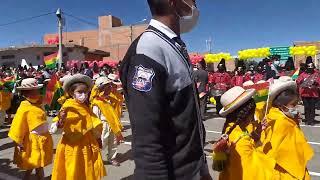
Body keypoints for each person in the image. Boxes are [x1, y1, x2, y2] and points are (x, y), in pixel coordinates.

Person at [119, 0, 211, 179]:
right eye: (193, 0)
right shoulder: (149, 49)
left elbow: (185, 117)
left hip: (192, 169)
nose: (195, 5)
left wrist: (202, 167)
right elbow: (147, 137)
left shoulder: (172, 44)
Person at [51, 74, 106, 180]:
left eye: (85, 92)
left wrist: (98, 139)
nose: (84, 95)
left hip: (87, 144)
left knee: (86, 171)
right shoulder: (67, 107)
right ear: (72, 93)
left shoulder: (86, 107)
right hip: (72, 147)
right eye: (80, 92)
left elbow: (93, 124)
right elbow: (55, 130)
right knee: (73, 171)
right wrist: (61, 121)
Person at [217, 86, 275, 180]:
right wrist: (259, 144)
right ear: (246, 114)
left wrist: (257, 134)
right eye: (253, 114)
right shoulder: (240, 141)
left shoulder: (231, 128)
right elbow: (253, 173)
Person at [263, 76, 314, 179]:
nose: (296, 108)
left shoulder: (279, 115)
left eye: (297, 104)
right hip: (285, 170)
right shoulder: (281, 121)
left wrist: (294, 119)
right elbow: (274, 151)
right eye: (293, 105)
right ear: (281, 105)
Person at [8, 78, 53, 180]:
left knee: (37, 164)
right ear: (25, 94)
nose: (35, 94)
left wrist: (49, 85)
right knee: (34, 164)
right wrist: (18, 143)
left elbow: (50, 97)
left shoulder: (39, 103)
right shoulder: (24, 107)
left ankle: (34, 177)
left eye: (36, 91)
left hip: (42, 139)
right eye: (31, 92)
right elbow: (18, 125)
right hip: (32, 141)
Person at [91, 77, 124, 166]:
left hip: (112, 125)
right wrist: (96, 130)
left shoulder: (111, 100)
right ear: (102, 88)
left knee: (113, 143)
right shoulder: (97, 102)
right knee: (101, 143)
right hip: (103, 126)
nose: (110, 88)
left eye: (110, 86)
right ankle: (95, 159)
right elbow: (95, 117)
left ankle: (112, 158)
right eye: (108, 86)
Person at [296, 57, 320, 125]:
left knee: (312, 107)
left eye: (311, 68)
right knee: (306, 107)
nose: (310, 70)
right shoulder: (303, 74)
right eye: (309, 68)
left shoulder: (316, 74)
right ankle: (307, 119)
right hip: (304, 93)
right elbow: (297, 81)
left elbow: (319, 82)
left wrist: (316, 83)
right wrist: (302, 82)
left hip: (313, 94)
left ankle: (311, 120)